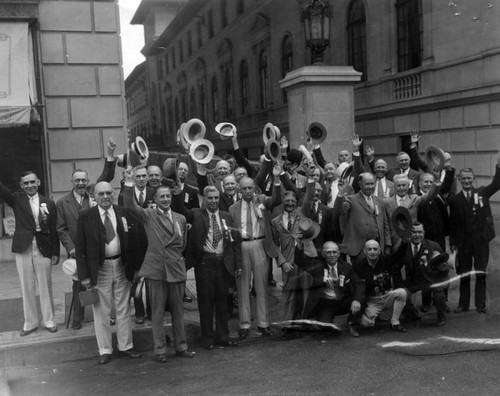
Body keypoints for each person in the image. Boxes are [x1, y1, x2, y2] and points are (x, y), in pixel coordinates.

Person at [122, 170, 195, 363]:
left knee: (179, 311)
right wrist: (129, 182)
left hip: (176, 268)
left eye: (168, 196)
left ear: (172, 198)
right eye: (161, 196)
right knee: (157, 312)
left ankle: (182, 346)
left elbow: (183, 244)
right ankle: (160, 349)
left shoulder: (180, 218)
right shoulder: (148, 215)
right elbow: (130, 205)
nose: (165, 199)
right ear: (155, 198)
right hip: (157, 269)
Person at [76, 182, 146, 365]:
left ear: (113, 194)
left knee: (124, 308)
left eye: (108, 192)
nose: (105, 196)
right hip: (100, 269)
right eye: (101, 194)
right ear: (94, 196)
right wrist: (84, 275)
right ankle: (105, 349)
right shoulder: (85, 216)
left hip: (122, 265)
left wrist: (136, 267)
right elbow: (80, 247)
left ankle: (126, 346)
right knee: (102, 311)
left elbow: (135, 240)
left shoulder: (123, 212)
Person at [56, 139, 118, 330]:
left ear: (88, 180)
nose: (81, 183)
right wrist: (72, 249)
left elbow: (107, 175)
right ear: (72, 182)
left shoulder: (94, 193)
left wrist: (110, 153)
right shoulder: (62, 203)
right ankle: (77, 319)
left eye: (84, 180)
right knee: (80, 285)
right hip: (77, 252)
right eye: (77, 180)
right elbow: (61, 229)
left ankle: (110, 316)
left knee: (105, 284)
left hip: (99, 249)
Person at [172, 185, 241, 350]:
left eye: (216, 198)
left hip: (223, 263)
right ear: (204, 199)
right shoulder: (196, 215)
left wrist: (237, 265)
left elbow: (235, 242)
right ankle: (207, 339)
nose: (214, 201)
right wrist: (178, 194)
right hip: (204, 264)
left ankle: (223, 337)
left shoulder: (227, 217)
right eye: (210, 198)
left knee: (223, 302)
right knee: (206, 303)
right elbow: (181, 209)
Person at [0, 171, 60, 336]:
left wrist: (55, 252)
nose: (29, 186)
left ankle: (49, 321)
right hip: (23, 247)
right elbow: (3, 191)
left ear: (38, 182)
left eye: (32, 182)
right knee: (27, 286)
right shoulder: (17, 200)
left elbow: (54, 230)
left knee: (45, 285)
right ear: (21, 186)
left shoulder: (48, 202)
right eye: (25, 183)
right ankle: (30, 323)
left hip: (43, 247)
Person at [229, 168, 282, 339]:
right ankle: (244, 324)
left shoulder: (262, 201)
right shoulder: (233, 208)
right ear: (239, 189)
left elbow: (277, 199)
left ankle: (263, 323)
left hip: (259, 243)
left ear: (254, 188)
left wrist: (276, 179)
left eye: (250, 188)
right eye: (244, 188)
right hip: (242, 246)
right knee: (243, 286)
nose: (247, 191)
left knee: (261, 286)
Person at [449, 154, 500, 314]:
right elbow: (453, 224)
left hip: (481, 242)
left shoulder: (482, 193)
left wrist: (498, 166)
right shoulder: (456, 200)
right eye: (463, 179)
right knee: (464, 274)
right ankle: (463, 305)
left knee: (480, 273)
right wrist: (453, 243)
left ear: (474, 179)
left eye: (469, 178)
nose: (466, 181)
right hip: (464, 243)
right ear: (460, 180)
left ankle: (480, 304)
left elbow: (497, 184)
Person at [295, 240, 363, 337]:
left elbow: (359, 284)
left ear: (339, 254)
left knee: (361, 299)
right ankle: (322, 320)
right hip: (326, 304)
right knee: (325, 330)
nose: (332, 255)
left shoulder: (346, 267)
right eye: (328, 252)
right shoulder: (317, 267)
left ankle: (351, 323)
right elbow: (300, 262)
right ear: (323, 254)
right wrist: (299, 248)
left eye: (334, 252)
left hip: (342, 301)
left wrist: (357, 300)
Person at [392, 222, 448, 326]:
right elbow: (395, 268)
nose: (417, 235)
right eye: (414, 232)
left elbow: (444, 267)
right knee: (400, 293)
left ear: (424, 233)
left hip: (430, 280)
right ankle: (412, 313)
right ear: (409, 233)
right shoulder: (404, 248)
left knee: (439, 292)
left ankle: (441, 317)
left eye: (419, 232)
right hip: (413, 281)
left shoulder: (433, 246)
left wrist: (443, 269)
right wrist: (400, 285)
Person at [119, 166, 152, 324]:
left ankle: (152, 310)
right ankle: (139, 311)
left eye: (143, 176)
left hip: (151, 240)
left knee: (152, 278)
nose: (141, 179)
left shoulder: (154, 193)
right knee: (137, 278)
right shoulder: (125, 193)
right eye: (138, 176)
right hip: (133, 241)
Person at [271, 191, 310, 320]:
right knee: (288, 295)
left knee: (305, 292)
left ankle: (305, 321)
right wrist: (282, 263)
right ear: (282, 202)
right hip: (288, 263)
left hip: (304, 261)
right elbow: (274, 244)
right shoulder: (275, 222)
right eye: (287, 201)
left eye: (293, 201)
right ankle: (288, 323)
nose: (290, 203)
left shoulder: (303, 216)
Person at [354, 240, 408, 332]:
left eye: (375, 249)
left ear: (379, 251)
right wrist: (365, 306)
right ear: (365, 251)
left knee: (402, 293)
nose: (372, 252)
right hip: (372, 300)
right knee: (366, 323)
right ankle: (373, 315)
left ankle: (395, 322)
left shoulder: (385, 260)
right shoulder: (358, 266)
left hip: (387, 296)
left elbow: (398, 255)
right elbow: (358, 288)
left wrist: (405, 241)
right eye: (369, 249)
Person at [340, 172, 391, 264]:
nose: (370, 187)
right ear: (360, 185)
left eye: (372, 184)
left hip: (377, 247)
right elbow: (340, 214)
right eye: (367, 184)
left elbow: (385, 225)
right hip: (358, 249)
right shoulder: (351, 200)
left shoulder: (380, 201)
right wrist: (340, 196)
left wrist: (387, 245)